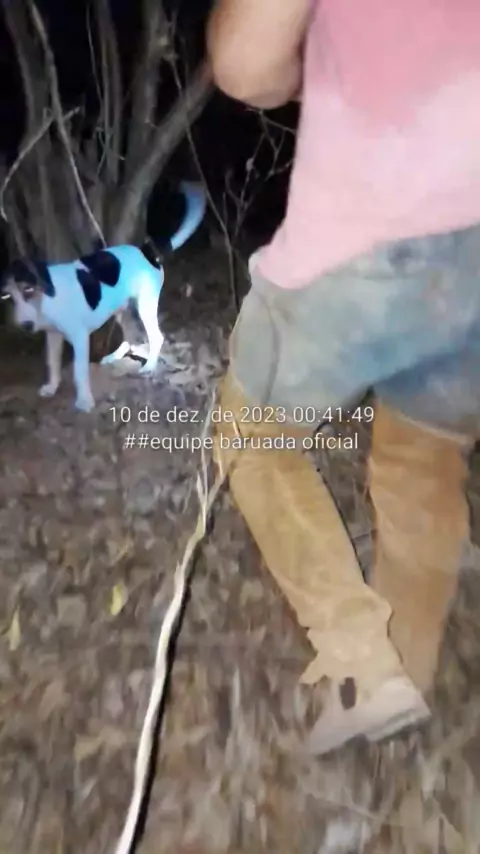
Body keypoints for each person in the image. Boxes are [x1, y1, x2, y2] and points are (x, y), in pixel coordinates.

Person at [205, 0, 480, 754]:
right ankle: (400, 680)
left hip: (383, 217)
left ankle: (361, 663)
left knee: (251, 433)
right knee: (423, 451)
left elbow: (244, 66)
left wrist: (311, 67)